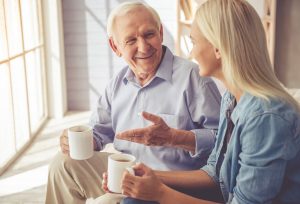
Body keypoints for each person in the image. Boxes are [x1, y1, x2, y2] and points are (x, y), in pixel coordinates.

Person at [117, 0, 300, 203]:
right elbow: (215, 173)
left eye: (194, 42)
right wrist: (149, 176)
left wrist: (160, 192)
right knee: (135, 199)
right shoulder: (232, 99)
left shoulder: (265, 117)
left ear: (218, 49)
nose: (190, 53)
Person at [45, 2, 221, 204]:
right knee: (63, 163)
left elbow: (225, 142)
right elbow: (98, 131)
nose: (143, 47)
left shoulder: (195, 78)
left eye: (149, 35)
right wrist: (76, 140)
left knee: (106, 202)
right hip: (123, 173)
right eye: (131, 40)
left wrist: (176, 138)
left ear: (161, 32)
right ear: (115, 46)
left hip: (172, 184)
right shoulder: (117, 84)